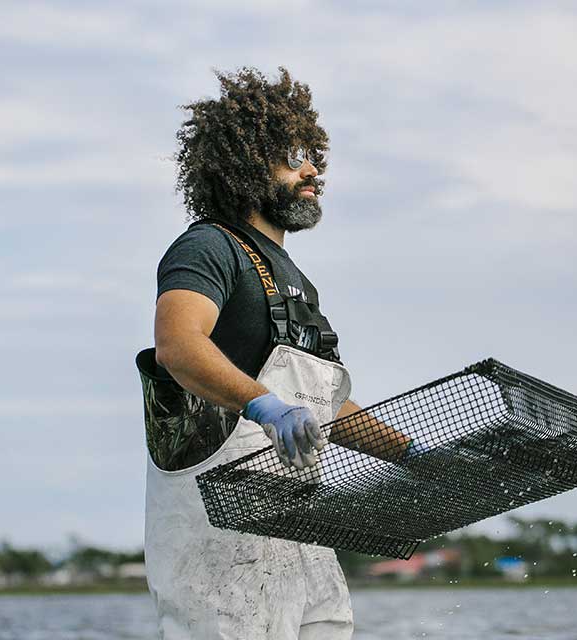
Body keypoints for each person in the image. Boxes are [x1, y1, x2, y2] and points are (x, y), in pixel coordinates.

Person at [136, 66, 415, 640]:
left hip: (300, 533)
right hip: (216, 540)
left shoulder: (298, 282)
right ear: (243, 164)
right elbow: (178, 346)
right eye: (294, 155)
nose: (313, 169)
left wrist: (409, 451)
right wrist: (266, 407)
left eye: (315, 155)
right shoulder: (209, 246)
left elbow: (318, 407)